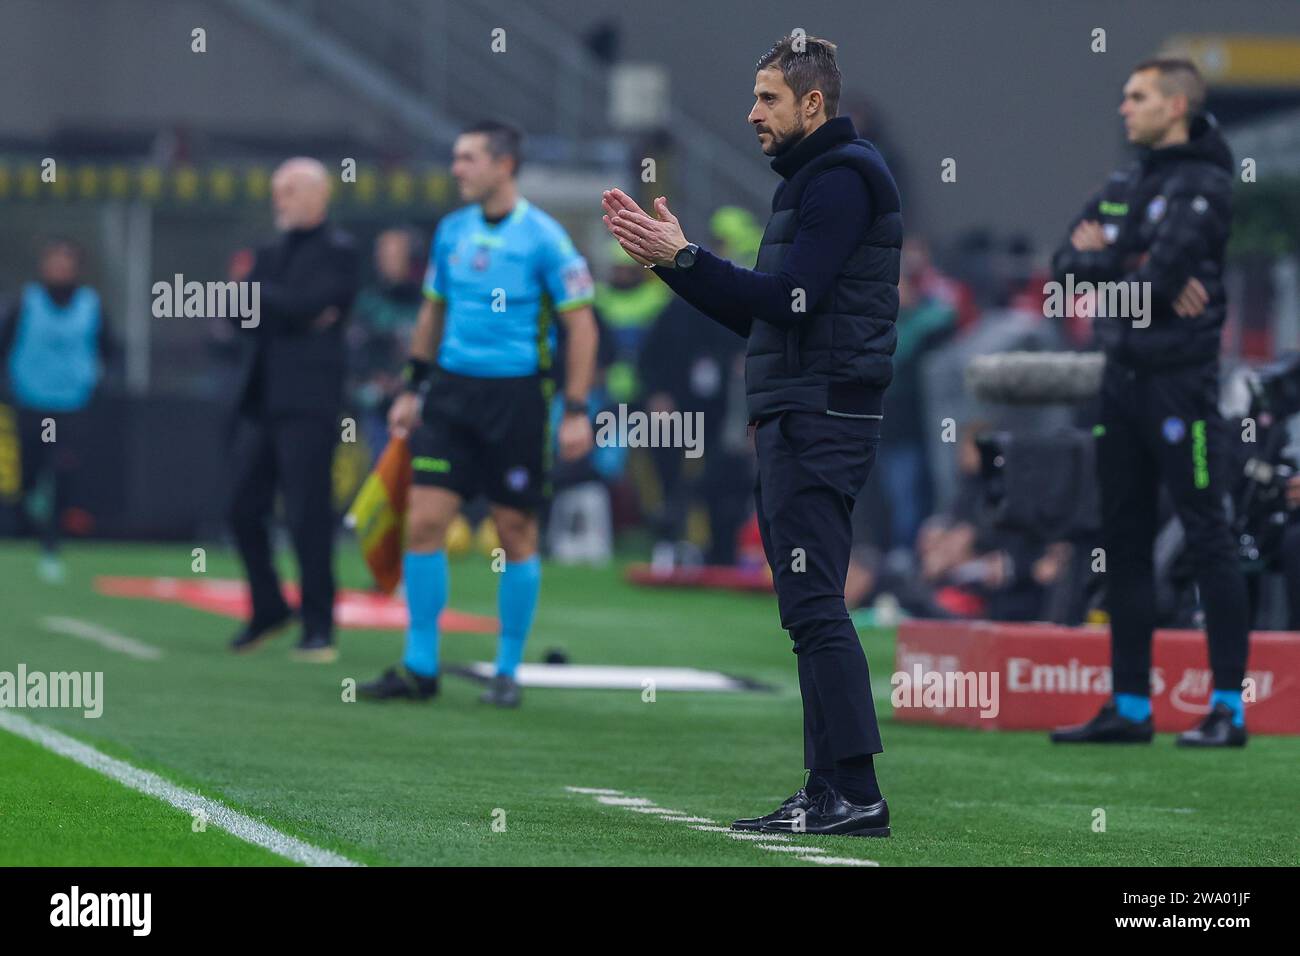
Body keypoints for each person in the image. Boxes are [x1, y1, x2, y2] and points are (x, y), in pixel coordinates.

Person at [605, 34, 899, 837]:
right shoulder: (813, 180)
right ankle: (825, 789)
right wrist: (675, 264)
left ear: (813, 103)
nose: (751, 112)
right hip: (799, 408)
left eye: (768, 97)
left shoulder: (841, 178)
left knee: (815, 605)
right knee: (806, 608)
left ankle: (856, 794)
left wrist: (690, 254)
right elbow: (759, 310)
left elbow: (795, 296)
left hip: (821, 413)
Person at [359, 120, 598, 708]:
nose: (456, 169)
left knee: (515, 531)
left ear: (504, 164)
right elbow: (432, 314)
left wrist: (573, 410)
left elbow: (580, 324)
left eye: (468, 158)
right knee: (422, 523)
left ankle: (508, 668)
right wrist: (413, 388)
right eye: (456, 158)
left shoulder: (545, 238)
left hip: (516, 400)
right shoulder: (450, 232)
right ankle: (420, 666)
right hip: (450, 396)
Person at [1048, 59, 1249, 747]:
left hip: (1181, 386)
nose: (1124, 108)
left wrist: (1120, 263)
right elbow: (1061, 270)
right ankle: (1131, 708)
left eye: (1138, 97)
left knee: (1207, 534)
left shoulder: (1207, 182)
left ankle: (1228, 707)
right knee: (1122, 542)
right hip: (1121, 383)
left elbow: (1160, 282)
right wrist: (1133, 269)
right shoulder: (1126, 182)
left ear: (1177, 106)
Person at [226, 157, 361, 663]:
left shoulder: (339, 251)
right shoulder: (270, 250)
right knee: (240, 508)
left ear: (318, 194)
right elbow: (245, 314)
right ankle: (269, 608)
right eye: (276, 190)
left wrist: (263, 297)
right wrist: (281, 305)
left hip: (309, 402)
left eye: (288, 190)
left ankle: (318, 624)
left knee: (307, 514)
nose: (278, 199)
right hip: (262, 398)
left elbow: (316, 302)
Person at [0, 238, 113, 582]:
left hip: (71, 406)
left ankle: (51, 545)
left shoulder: (91, 305)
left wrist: (96, 385)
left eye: (66, 262)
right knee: (29, 475)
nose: (59, 269)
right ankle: (25, 521)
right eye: (54, 262)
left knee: (63, 469)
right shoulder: (25, 303)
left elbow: (109, 350)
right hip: (32, 404)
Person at [348, 228, 424, 465]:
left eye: (396, 255)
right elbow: (355, 354)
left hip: (421, 408)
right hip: (379, 407)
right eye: (384, 256)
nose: (388, 262)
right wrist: (376, 381)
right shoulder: (368, 304)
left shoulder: (427, 305)